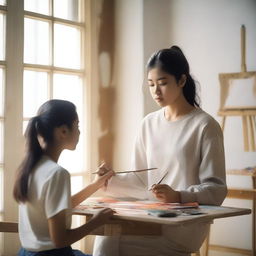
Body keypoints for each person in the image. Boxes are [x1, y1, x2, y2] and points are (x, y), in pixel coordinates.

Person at [93, 46, 227, 256]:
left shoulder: (205, 125)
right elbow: (140, 183)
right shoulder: (148, 123)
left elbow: (217, 189)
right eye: (151, 84)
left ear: (181, 81)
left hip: (184, 225)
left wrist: (178, 195)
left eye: (163, 83)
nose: (156, 91)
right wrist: (110, 179)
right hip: (149, 215)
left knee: (111, 244)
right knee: (106, 237)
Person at [13, 99, 115, 256]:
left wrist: (96, 184)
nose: (79, 132)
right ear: (63, 131)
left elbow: (59, 208)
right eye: (77, 125)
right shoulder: (57, 173)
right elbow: (60, 240)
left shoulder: (32, 167)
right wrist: (96, 222)